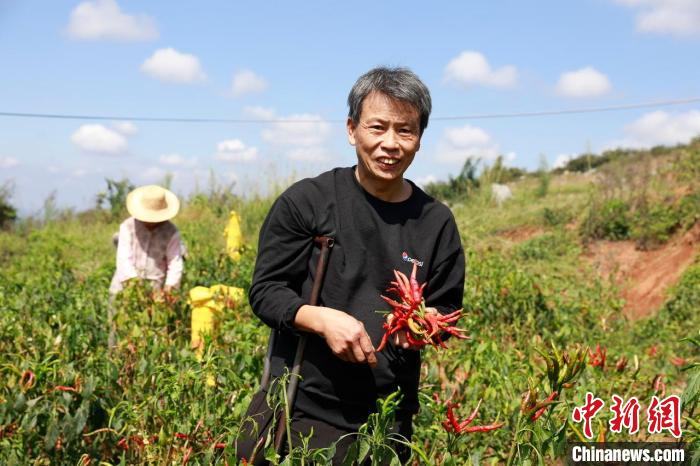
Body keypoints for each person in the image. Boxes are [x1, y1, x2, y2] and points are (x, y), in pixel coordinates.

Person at [239, 67, 465, 464]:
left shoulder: (435, 222)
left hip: (386, 419)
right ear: (351, 129)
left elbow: (447, 308)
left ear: (420, 139)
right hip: (300, 410)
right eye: (377, 127)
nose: (390, 144)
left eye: (405, 131)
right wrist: (321, 319)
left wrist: (426, 325)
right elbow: (266, 291)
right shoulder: (309, 201)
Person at [108, 185, 185, 345]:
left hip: (155, 292)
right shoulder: (127, 227)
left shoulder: (171, 232)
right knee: (119, 335)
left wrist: (168, 289)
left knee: (152, 337)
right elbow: (124, 260)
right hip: (124, 290)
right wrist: (135, 287)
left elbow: (175, 263)